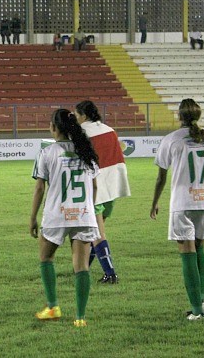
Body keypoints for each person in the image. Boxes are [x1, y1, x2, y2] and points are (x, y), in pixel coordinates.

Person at [150, 98, 204, 321]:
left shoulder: (172, 139)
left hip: (183, 204)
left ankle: (197, 311)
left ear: (179, 116)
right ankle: (202, 299)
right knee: (200, 247)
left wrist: (154, 202)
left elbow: (161, 178)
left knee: (187, 252)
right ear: (198, 115)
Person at [30, 108, 100, 327]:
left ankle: (52, 307)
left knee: (46, 258)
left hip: (57, 215)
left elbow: (40, 187)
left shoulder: (48, 152)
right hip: (83, 215)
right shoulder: (86, 151)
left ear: (54, 127)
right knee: (81, 267)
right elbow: (95, 186)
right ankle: (80, 317)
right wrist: (89, 208)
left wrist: (32, 217)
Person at [75, 100, 131, 284]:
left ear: (83, 115)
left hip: (95, 188)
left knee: (98, 233)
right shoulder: (109, 130)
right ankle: (83, 266)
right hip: (112, 187)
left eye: (77, 115)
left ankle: (110, 273)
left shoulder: (82, 133)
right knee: (96, 228)